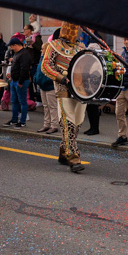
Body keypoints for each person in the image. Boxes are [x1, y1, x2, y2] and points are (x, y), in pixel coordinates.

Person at [41, 23, 86, 173]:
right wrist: (60, 78)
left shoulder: (82, 47)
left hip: (80, 90)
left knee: (77, 122)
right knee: (68, 123)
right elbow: (46, 65)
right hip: (63, 89)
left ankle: (63, 150)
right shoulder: (53, 45)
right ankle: (74, 158)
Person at [6, 36, 32, 127]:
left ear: (16, 45)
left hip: (21, 81)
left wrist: (20, 81)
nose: (11, 48)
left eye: (12, 46)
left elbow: (24, 69)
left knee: (22, 102)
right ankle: (14, 119)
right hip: (14, 80)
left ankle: (22, 121)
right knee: (14, 101)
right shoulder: (17, 53)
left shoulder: (24, 54)